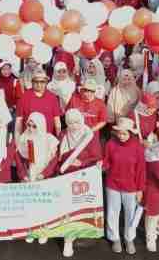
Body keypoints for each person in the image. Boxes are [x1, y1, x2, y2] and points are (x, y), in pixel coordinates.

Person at [58, 109, 104, 257]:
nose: (74, 125)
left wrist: (81, 162)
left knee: (81, 208)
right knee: (67, 210)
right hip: (66, 176)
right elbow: (58, 156)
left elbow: (97, 156)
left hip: (84, 177)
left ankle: (80, 233)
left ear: (82, 120)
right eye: (70, 123)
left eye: (77, 121)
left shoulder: (89, 135)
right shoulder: (64, 134)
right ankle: (68, 240)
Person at [103, 117, 146, 254]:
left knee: (130, 214)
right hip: (113, 184)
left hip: (131, 186)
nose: (121, 136)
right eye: (119, 133)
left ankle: (129, 238)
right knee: (112, 212)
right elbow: (107, 162)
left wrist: (140, 189)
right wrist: (102, 165)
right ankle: (114, 237)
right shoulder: (110, 144)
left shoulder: (138, 147)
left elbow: (141, 170)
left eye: (124, 133)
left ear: (131, 133)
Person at [16, 70, 63, 140]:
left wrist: (59, 139)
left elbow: (57, 122)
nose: (39, 84)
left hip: (47, 139)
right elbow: (18, 122)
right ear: (32, 82)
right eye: (36, 81)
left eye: (42, 81)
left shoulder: (52, 97)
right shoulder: (24, 97)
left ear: (46, 82)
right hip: (29, 138)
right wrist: (17, 140)